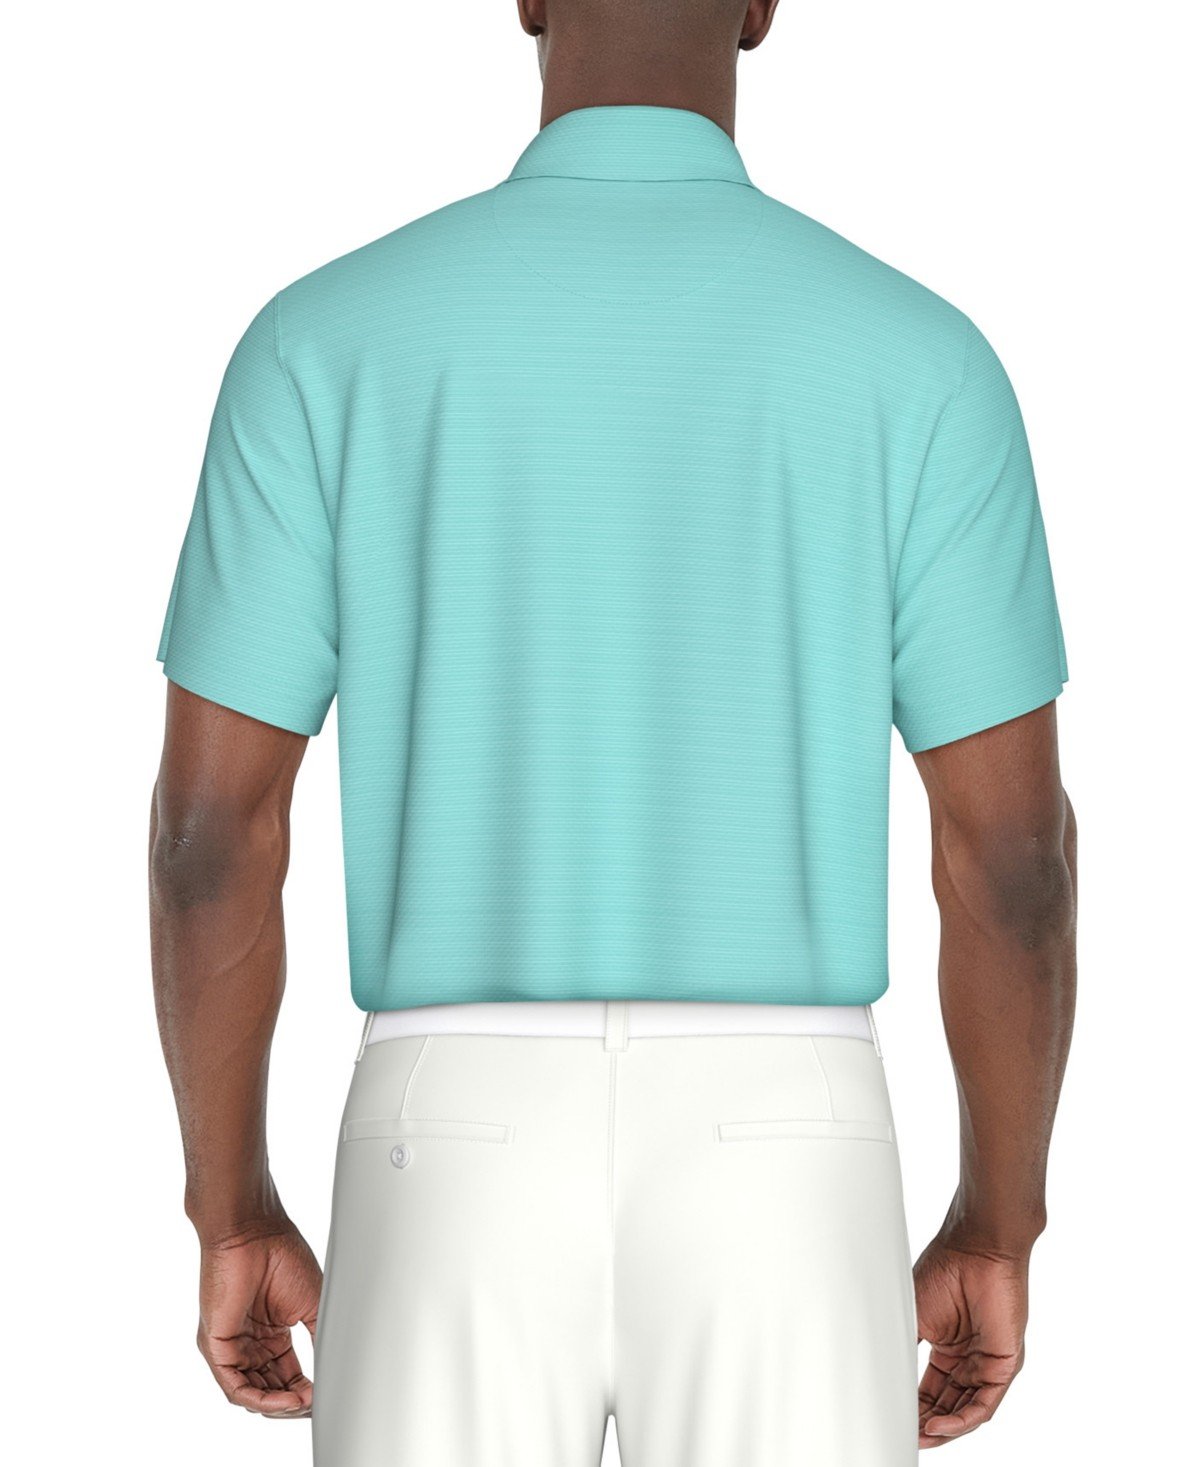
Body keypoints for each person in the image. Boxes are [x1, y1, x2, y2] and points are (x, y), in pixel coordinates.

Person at [148, 2, 1077, 1463]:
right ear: (762, 7)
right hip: (790, 1143)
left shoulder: (321, 341)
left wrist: (229, 1203)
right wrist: (998, 1218)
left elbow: (210, 841)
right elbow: (1014, 861)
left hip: (444, 1138)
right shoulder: (922, 359)